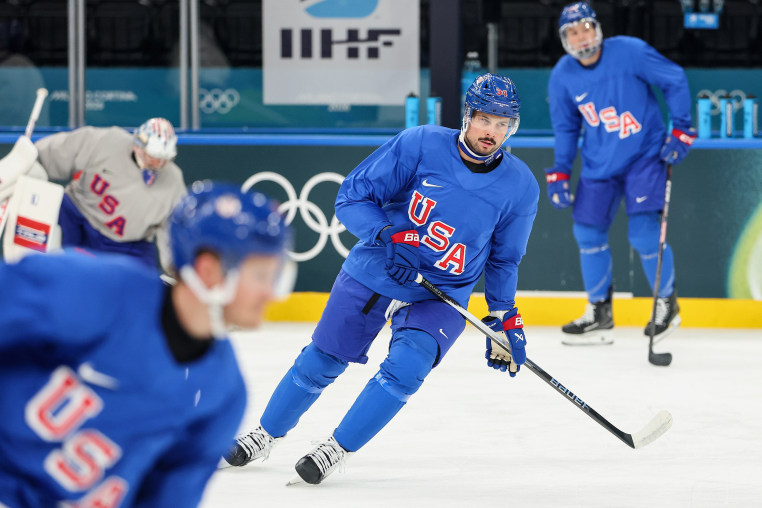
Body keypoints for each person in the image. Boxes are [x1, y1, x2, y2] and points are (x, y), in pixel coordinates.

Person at [222, 73, 539, 485]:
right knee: (323, 360)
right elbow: (351, 197)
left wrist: (502, 317)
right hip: (379, 270)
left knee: (407, 369)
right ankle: (265, 434)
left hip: (441, 295)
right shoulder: (421, 143)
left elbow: (504, 258)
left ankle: (336, 449)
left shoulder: (520, 185)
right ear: (467, 115)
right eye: (485, 119)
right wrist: (389, 234)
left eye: (503, 123)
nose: (491, 132)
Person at [0, 181, 290, 507]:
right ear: (209, 270)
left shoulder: (223, 394)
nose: (271, 293)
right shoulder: (99, 289)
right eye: (261, 276)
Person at [546, 1, 695, 346]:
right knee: (587, 232)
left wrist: (681, 128)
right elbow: (566, 129)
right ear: (563, 38)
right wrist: (561, 171)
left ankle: (665, 303)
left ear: (597, 28)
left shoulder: (630, 51)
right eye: (572, 32)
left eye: (585, 27)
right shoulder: (562, 76)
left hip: (645, 155)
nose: (581, 37)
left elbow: (674, 80)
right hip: (600, 164)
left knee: (644, 234)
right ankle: (600, 312)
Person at [33, 117, 186, 272]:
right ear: (138, 146)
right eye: (153, 156)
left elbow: (173, 229)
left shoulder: (173, 181)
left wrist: (176, 270)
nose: (158, 164)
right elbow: (62, 150)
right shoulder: (107, 142)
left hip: (127, 244)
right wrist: (31, 158)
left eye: (164, 159)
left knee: (144, 283)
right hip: (79, 217)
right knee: (57, 266)